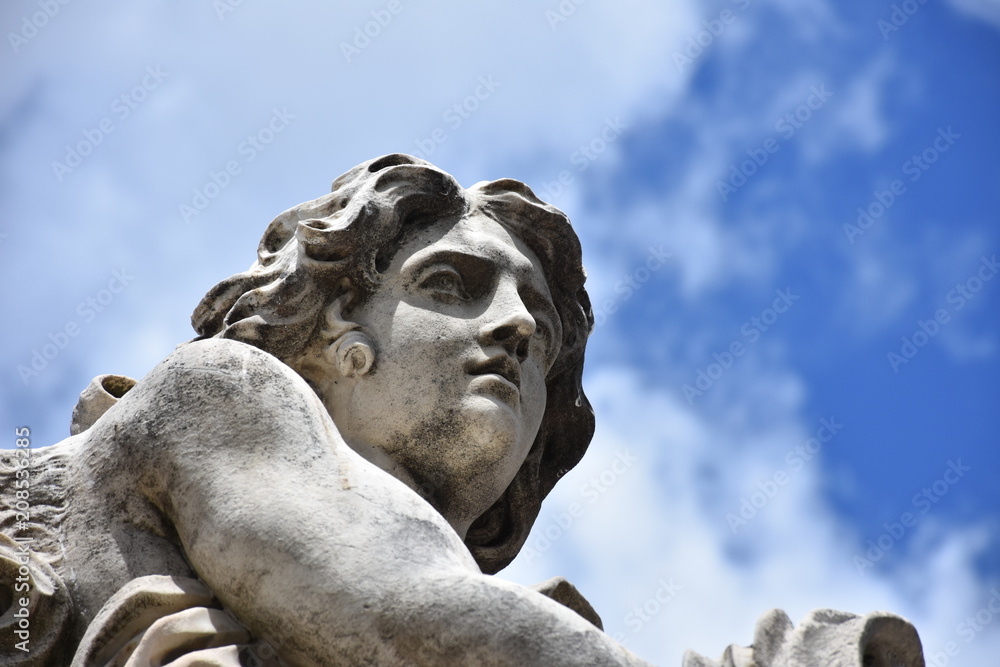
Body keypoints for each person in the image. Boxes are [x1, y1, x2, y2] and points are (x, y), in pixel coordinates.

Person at [0, 154, 654, 665]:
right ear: (335, 324)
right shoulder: (213, 394)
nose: (516, 326)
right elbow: (401, 606)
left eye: (543, 329)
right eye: (450, 285)